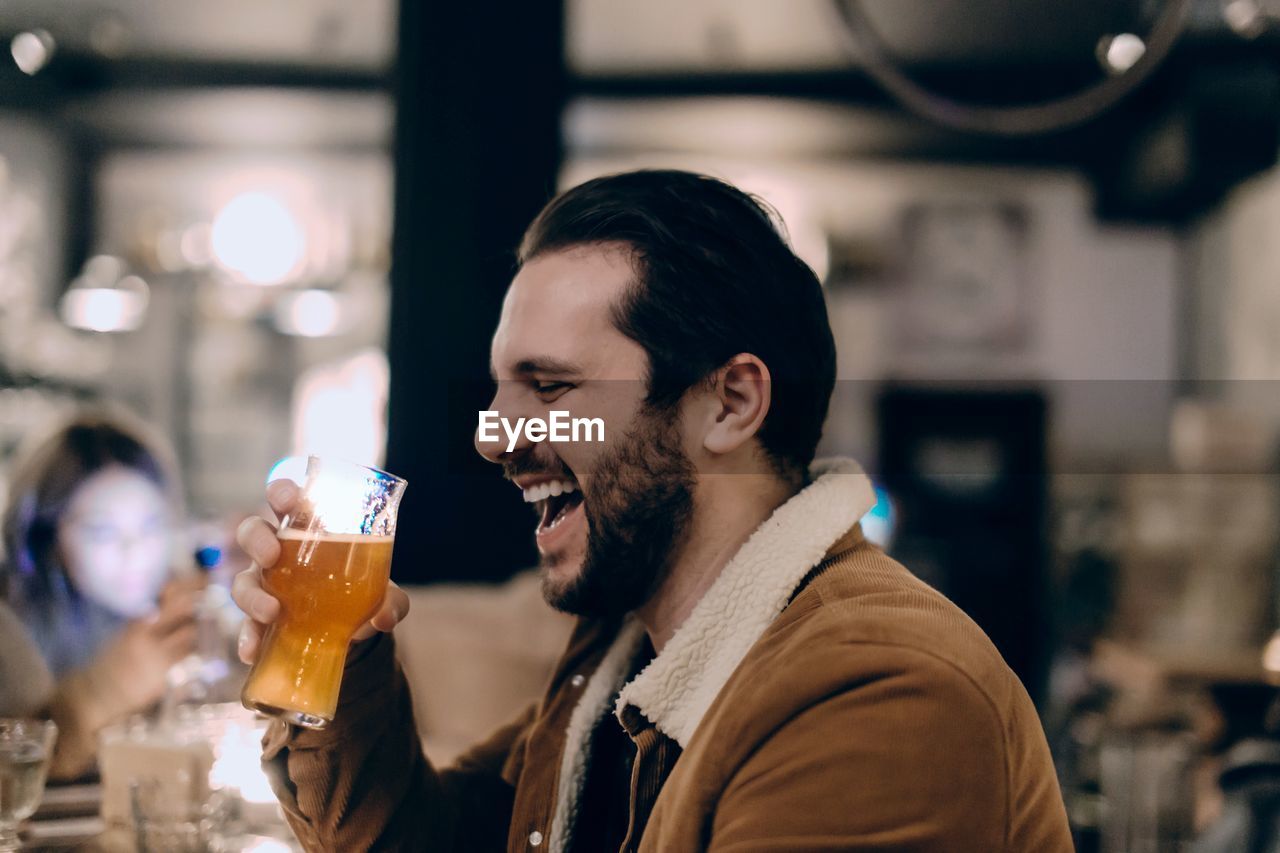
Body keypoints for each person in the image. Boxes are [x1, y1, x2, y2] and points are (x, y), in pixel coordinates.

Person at [234, 170, 1074, 851]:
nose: (494, 439)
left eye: (553, 386)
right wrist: (336, 670)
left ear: (730, 402)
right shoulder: (627, 652)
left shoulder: (885, 691)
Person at [1, 409, 201, 778]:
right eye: (102, 532)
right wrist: (104, 691)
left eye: (151, 525)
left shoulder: (173, 613)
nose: (134, 552)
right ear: (44, 535)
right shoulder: (9, 630)